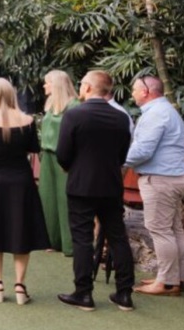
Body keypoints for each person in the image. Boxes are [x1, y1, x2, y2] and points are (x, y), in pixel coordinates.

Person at [55, 70, 136, 312]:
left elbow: (63, 153)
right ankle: (124, 293)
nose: (80, 88)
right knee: (118, 237)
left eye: (81, 84)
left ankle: (83, 293)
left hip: (81, 185)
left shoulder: (74, 115)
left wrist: (72, 168)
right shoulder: (121, 118)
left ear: (89, 88)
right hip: (111, 185)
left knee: (82, 239)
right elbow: (123, 155)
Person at [0, 78, 51, 305]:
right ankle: (20, 287)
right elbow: (33, 149)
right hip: (20, 178)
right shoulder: (26, 120)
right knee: (20, 227)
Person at [126, 75, 184, 297]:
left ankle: (166, 282)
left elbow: (143, 150)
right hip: (174, 177)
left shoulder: (156, 114)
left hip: (161, 179)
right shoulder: (166, 111)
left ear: (146, 91)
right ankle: (175, 279)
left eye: (134, 89)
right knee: (174, 229)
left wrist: (117, 162)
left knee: (160, 230)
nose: (132, 93)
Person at [38, 70, 79, 255]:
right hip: (47, 156)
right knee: (48, 199)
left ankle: (70, 244)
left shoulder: (75, 106)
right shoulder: (51, 104)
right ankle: (52, 241)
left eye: (47, 83)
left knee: (65, 200)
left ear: (56, 84)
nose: (44, 86)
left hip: (64, 157)